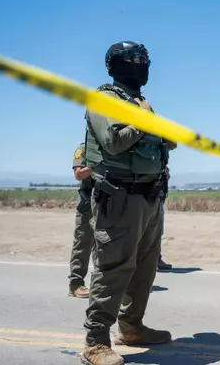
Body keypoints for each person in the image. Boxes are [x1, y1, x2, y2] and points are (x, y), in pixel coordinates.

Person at [81, 41, 171, 365]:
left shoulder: (138, 102)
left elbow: (163, 138)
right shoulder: (104, 99)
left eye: (145, 59)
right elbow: (114, 142)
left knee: (144, 270)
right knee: (113, 270)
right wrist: (145, 121)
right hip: (120, 198)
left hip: (149, 198)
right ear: (119, 64)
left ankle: (132, 327)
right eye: (137, 60)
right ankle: (95, 342)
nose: (143, 65)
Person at [68, 142, 94, 298]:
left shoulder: (109, 147)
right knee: (83, 243)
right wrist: (96, 167)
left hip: (106, 203)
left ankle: (100, 285)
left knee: (104, 246)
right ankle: (76, 284)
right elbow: (78, 174)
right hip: (87, 204)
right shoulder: (84, 148)